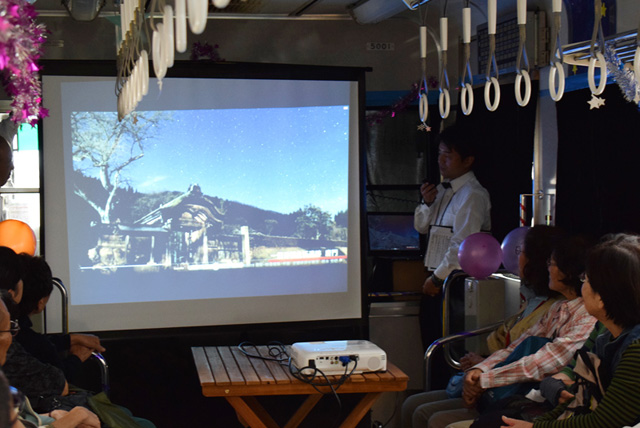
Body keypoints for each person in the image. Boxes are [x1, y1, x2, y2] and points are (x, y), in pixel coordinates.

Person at [402, 232, 597, 428]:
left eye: (552, 263)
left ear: (568, 271)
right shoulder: (557, 308)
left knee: (434, 418)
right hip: (511, 391)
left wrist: (484, 379)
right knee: (414, 406)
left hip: (533, 401)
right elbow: (516, 347)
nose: (548, 268)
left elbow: (545, 361)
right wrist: (480, 370)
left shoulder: (586, 316)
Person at [501, 233, 640, 428]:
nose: (582, 285)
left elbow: (604, 421)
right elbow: (578, 399)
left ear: (603, 298)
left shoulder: (635, 349)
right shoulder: (606, 335)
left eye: (586, 280)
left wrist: (535, 427)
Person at [414, 125, 491, 297]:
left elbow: (462, 245)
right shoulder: (441, 190)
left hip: (456, 280)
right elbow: (421, 227)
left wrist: (437, 279)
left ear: (467, 160)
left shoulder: (472, 195)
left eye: (447, 156)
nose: (440, 160)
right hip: (436, 273)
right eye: (440, 154)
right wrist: (426, 204)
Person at [16, 254, 105, 384]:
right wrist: (77, 357)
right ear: (41, 302)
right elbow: (59, 383)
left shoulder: (18, 332)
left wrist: (69, 339)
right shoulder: (29, 340)